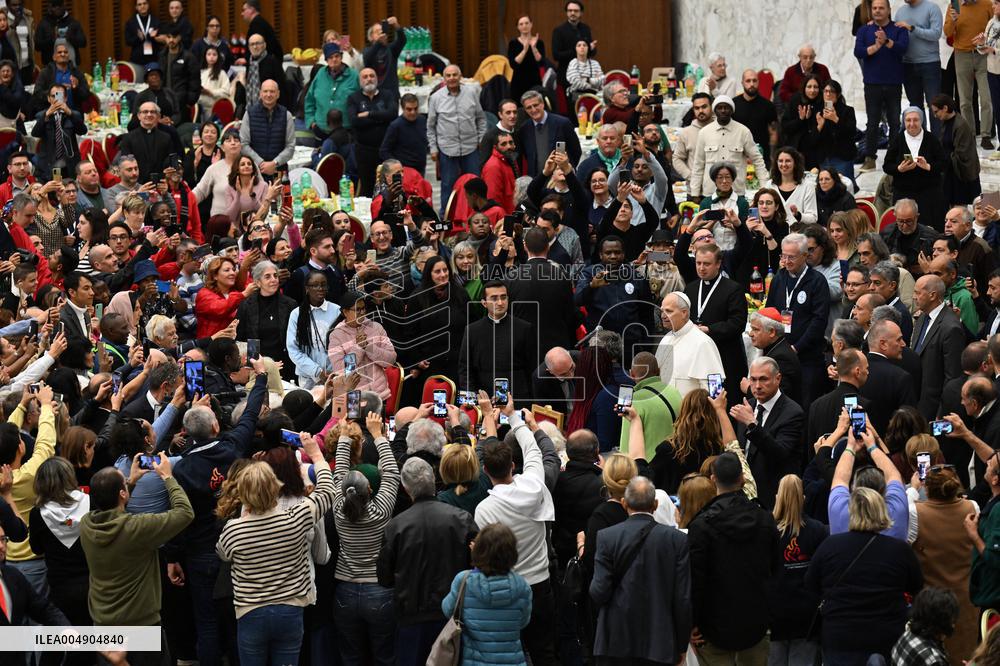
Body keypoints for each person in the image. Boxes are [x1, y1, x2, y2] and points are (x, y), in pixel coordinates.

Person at [216, 431, 335, 664]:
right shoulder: (297, 518)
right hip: (291, 609)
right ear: (275, 487)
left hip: (251, 612)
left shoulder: (233, 530)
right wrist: (316, 454)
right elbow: (328, 491)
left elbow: (223, 554)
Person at [475, 402, 557, 665]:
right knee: (544, 649)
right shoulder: (534, 484)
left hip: (506, 587)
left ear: (485, 471)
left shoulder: (484, 509)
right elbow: (533, 449)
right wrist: (513, 416)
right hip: (540, 583)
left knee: (509, 650)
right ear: (513, 465)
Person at [805, 485, 924, 663]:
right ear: (881, 511)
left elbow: (810, 584)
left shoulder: (830, 546)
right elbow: (917, 586)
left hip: (839, 635)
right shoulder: (899, 549)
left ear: (852, 512)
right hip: (887, 635)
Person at [378, 457, 478, 665]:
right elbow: (476, 564)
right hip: (453, 616)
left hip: (411, 618)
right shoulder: (462, 518)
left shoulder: (396, 526)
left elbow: (385, 578)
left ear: (406, 488)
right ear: (434, 480)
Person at [688, 452, 780, 662]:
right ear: (742, 478)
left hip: (713, 626)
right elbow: (775, 570)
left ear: (713, 479)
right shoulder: (765, 520)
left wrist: (691, 621)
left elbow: (696, 580)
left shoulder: (701, 525)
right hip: (755, 622)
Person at [590, 476, 691, 665]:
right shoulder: (676, 540)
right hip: (660, 641)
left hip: (615, 639)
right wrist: (681, 645)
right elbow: (682, 599)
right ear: (655, 504)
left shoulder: (606, 538)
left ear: (624, 503)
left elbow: (598, 592)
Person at [911, 465, 979, 663]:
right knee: (967, 654)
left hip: (932, 604)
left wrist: (912, 490)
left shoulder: (916, 512)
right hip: (966, 601)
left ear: (927, 489)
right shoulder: (972, 507)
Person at [441, 523, 532, 666]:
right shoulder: (523, 586)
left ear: (478, 550)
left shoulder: (464, 582)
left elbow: (448, 610)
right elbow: (523, 622)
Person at [766, 474, 828, 666]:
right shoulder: (817, 530)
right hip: (806, 617)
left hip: (775, 614)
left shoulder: (767, 529)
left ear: (778, 496)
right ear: (803, 498)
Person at [730, 357, 806, 509]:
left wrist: (752, 424)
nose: (757, 386)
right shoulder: (747, 407)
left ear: (778, 379)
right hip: (743, 496)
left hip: (774, 498)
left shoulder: (792, 412)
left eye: (763, 379)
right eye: (753, 379)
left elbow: (779, 453)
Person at [764, 233, 831, 405]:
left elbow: (819, 321)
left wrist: (797, 347)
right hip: (781, 357)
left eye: (791, 256)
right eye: (783, 256)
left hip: (807, 357)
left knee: (805, 404)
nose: (786, 261)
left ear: (805, 255)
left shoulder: (817, 281)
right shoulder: (779, 278)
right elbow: (770, 311)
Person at [682, 243, 748, 400]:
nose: (701, 268)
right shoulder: (690, 288)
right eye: (698, 263)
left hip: (722, 359)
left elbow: (737, 323)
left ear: (718, 264)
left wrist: (709, 330)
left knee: (719, 402)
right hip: (696, 358)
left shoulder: (733, 289)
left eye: (707, 264)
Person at [855, 0, 910, 172]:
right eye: (875, 8)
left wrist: (886, 41)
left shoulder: (899, 29)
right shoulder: (864, 29)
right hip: (872, 83)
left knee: (894, 121)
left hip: (893, 82)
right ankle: (870, 158)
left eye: (881, 8)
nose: (878, 11)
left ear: (888, 10)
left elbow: (903, 48)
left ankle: (893, 158)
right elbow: (858, 51)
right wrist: (876, 46)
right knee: (872, 123)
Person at [427, 64, 486, 215]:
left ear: (460, 77)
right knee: (448, 186)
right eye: (448, 75)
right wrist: (433, 148)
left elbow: (481, 118)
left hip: (471, 147)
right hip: (447, 149)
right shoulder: (435, 98)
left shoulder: (472, 92)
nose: (452, 78)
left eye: (455, 75)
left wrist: (481, 139)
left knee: (475, 183)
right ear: (444, 78)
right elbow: (431, 126)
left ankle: (479, 215)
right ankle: (446, 219)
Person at [689, 95, 768, 201]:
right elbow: (698, 164)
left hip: (736, 193)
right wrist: (695, 193)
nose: (723, 110)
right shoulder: (704, 133)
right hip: (711, 193)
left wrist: (765, 188)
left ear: (732, 110)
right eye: (719, 108)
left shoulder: (743, 131)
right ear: (714, 111)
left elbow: (757, 160)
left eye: (726, 107)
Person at [884, 107, 947, 231]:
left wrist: (928, 167)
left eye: (915, 120)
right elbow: (887, 165)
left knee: (930, 230)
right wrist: (899, 169)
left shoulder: (932, 139)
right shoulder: (897, 140)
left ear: (922, 121)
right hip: (903, 193)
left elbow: (943, 163)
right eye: (908, 120)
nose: (911, 124)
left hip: (929, 195)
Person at [912, 274, 965, 419]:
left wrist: (942, 412)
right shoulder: (922, 317)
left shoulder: (951, 327)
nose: (914, 297)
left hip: (934, 408)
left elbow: (952, 376)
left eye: (917, 292)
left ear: (932, 295)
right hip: (916, 401)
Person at [327, 291, 396, 401]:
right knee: (354, 419)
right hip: (354, 397)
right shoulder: (336, 336)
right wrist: (358, 348)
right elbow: (341, 371)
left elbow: (391, 359)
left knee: (378, 419)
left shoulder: (376, 328)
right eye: (357, 310)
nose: (362, 312)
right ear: (345, 312)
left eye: (363, 308)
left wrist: (369, 347)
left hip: (380, 395)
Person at [655, 291, 726, 397]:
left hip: (692, 412)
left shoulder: (703, 342)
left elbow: (715, 391)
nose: (663, 316)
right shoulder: (665, 340)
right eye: (662, 311)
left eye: (669, 311)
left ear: (684, 313)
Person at [947, 0, 994, 148]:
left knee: (986, 98)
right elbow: (947, 32)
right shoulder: (953, 6)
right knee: (964, 100)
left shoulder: (986, 4)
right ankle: (970, 135)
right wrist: (953, 21)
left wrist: (986, 42)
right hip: (962, 54)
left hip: (983, 54)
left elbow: (995, 27)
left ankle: (986, 135)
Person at [348, 67, 398, 197]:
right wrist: (381, 118)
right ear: (360, 81)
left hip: (387, 149)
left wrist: (369, 114)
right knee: (368, 187)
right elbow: (354, 121)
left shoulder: (387, 95)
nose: (369, 79)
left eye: (372, 76)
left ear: (377, 78)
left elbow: (392, 114)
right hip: (364, 152)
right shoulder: (354, 98)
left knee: (390, 186)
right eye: (365, 77)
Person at [863, 319, 918, 435]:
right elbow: (908, 424)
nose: (903, 344)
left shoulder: (854, 373)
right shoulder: (901, 378)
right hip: (891, 448)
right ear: (883, 344)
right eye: (899, 339)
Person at [516, 89, 581, 178]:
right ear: (525, 110)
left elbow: (576, 151)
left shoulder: (562, 123)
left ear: (542, 104)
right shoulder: (524, 129)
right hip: (537, 179)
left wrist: (566, 171)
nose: (533, 110)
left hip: (561, 178)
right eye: (529, 107)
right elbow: (527, 157)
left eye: (535, 105)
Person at [931, 95, 982, 207]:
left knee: (959, 211)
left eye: (936, 112)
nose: (935, 116)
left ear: (945, 108)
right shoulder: (946, 122)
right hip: (950, 171)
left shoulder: (961, 125)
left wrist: (942, 159)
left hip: (960, 175)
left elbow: (962, 154)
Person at [239, 78, 295, 177]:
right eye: (265, 91)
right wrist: (261, 163)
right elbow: (243, 144)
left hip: (279, 171)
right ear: (260, 93)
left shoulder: (287, 115)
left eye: (272, 91)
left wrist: (274, 163)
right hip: (254, 171)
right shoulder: (249, 114)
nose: (268, 95)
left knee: (281, 193)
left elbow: (290, 147)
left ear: (278, 94)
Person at [815, 80, 860, 184]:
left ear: (838, 94)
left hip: (842, 157)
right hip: (824, 157)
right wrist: (820, 126)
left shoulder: (848, 110)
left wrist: (836, 119)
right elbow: (813, 137)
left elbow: (852, 133)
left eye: (832, 91)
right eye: (825, 91)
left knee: (844, 186)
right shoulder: (818, 111)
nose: (828, 94)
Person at [732, 69, 778, 164]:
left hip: (762, 156)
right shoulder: (733, 104)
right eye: (748, 81)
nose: (751, 84)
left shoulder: (768, 105)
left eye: (754, 80)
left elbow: (773, 134)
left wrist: (773, 156)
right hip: (738, 155)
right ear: (742, 83)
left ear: (758, 82)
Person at [780, 75, 824, 169]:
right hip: (796, 150)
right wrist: (801, 120)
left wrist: (818, 125)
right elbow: (785, 127)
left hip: (816, 151)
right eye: (809, 87)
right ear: (804, 88)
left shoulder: (823, 103)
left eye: (815, 87)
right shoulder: (796, 100)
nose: (812, 90)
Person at [380, 93, 428, 176]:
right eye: (409, 109)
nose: (413, 112)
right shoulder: (395, 126)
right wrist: (397, 166)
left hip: (420, 168)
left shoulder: (422, 120)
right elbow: (384, 151)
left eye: (415, 109)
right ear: (402, 108)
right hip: (403, 170)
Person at [551, 0, 595, 90]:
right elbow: (556, 55)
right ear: (567, 12)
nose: (572, 13)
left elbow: (591, 53)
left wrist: (592, 49)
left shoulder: (585, 29)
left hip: (584, 76)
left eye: (576, 11)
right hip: (566, 77)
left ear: (581, 13)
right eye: (570, 10)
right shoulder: (559, 31)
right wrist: (578, 52)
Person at [771, 146, 819, 225]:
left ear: (795, 163)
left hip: (799, 234)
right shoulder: (770, 185)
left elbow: (813, 218)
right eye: (780, 161)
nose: (783, 164)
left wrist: (798, 215)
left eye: (788, 161)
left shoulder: (808, 186)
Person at [34, 0, 85, 68]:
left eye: (59, 5)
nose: (57, 8)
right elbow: (37, 46)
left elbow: (83, 43)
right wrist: (52, 39)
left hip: (71, 66)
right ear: (49, 7)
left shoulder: (73, 22)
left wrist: (71, 37)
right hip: (50, 68)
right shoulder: (44, 23)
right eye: (54, 6)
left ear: (64, 5)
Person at [363, 16, 405, 96]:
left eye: (381, 30)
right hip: (375, 93)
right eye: (377, 31)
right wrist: (378, 42)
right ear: (371, 37)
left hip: (392, 93)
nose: (380, 33)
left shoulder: (391, 49)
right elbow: (367, 59)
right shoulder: (367, 51)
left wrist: (397, 26)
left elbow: (402, 40)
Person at [507, 15, 545, 103]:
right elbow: (513, 64)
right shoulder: (513, 43)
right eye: (521, 24)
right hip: (518, 81)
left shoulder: (539, 42)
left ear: (531, 24)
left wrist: (534, 48)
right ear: (518, 27)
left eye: (527, 23)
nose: (524, 26)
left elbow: (541, 62)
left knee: (535, 105)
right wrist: (524, 49)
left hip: (534, 80)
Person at [241, 0, 282, 65]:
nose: (242, 14)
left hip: (267, 66)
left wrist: (246, 59)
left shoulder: (257, 24)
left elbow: (259, 49)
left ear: (251, 10)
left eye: (244, 10)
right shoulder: (260, 23)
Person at [123, 0, 160, 65]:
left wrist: (153, 37)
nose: (142, 6)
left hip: (153, 59)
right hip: (137, 59)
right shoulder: (131, 22)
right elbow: (127, 41)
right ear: (136, 7)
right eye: (139, 4)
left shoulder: (156, 21)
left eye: (144, 3)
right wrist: (138, 38)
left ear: (148, 5)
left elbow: (160, 42)